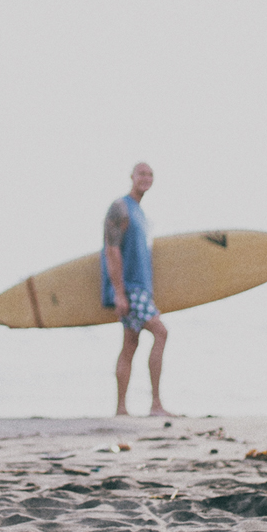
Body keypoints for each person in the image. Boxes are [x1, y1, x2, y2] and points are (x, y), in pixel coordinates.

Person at [101, 162, 171, 417]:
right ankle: (156, 404)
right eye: (142, 173)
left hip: (140, 288)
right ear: (131, 176)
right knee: (161, 333)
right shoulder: (120, 207)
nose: (146, 178)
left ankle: (121, 409)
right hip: (130, 288)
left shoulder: (140, 212)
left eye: (151, 174)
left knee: (130, 343)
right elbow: (111, 249)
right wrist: (119, 292)